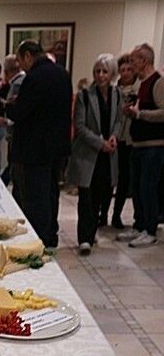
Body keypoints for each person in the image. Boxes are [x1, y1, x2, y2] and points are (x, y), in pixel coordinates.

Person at [5, 39, 73, 248]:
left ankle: (38, 241)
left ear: (28, 56)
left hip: (34, 149)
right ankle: (51, 235)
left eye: (20, 61)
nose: (20, 67)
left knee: (35, 198)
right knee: (52, 194)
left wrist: (10, 106)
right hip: (57, 147)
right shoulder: (62, 74)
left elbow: (20, 113)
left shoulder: (34, 77)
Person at [67, 54, 122, 255]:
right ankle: (84, 239)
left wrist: (114, 136)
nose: (100, 75)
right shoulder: (84, 96)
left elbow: (119, 120)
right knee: (86, 197)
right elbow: (80, 126)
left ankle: (91, 230)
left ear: (112, 74)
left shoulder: (117, 94)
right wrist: (101, 144)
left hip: (108, 156)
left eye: (105, 71)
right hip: (88, 154)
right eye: (97, 71)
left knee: (100, 194)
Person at [117, 43, 164, 247]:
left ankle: (150, 230)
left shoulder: (158, 82)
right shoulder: (142, 83)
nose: (131, 64)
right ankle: (139, 225)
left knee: (148, 188)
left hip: (153, 145)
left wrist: (140, 114)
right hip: (138, 144)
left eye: (133, 60)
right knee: (136, 187)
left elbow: (163, 112)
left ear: (144, 61)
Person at [110, 54, 138, 228]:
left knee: (125, 179)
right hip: (115, 137)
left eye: (129, 69)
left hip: (130, 139)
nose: (126, 73)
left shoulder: (138, 89)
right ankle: (102, 214)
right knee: (110, 177)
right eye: (123, 70)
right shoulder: (113, 90)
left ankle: (117, 215)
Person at [0, 54, 25, 186]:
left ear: (5, 71)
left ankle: (0, 184)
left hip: (17, 134)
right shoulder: (18, 82)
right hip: (15, 133)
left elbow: (19, 112)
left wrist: (5, 119)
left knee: (14, 169)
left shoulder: (17, 84)